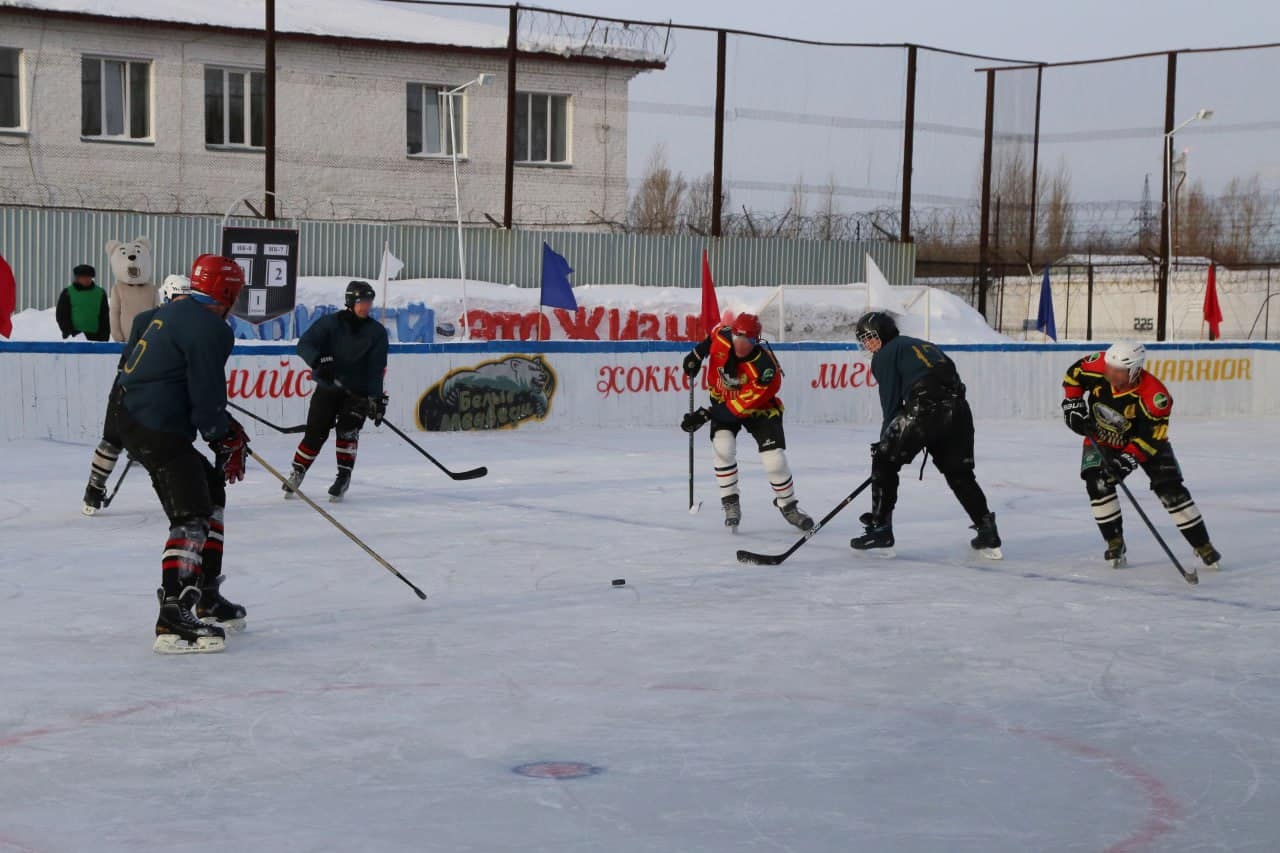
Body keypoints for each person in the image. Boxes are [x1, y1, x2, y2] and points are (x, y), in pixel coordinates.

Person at [118, 255, 249, 654]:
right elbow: (206, 397)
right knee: (191, 512)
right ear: (227, 291)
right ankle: (173, 615)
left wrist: (222, 430)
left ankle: (205, 593)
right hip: (156, 426)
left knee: (211, 490)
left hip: (137, 417)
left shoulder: (174, 311)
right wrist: (222, 434)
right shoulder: (211, 327)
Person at [850, 311, 1001, 557]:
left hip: (925, 408)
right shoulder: (922, 345)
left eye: (870, 337)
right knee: (959, 473)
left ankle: (880, 528)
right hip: (959, 410)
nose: (867, 344)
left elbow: (891, 406)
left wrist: (886, 443)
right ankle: (987, 529)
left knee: (884, 461)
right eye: (864, 339)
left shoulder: (885, 355)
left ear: (883, 334)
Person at [1062, 342, 1221, 570]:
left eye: (1119, 371)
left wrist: (1127, 461)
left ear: (1135, 370)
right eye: (1110, 368)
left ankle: (1202, 544)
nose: (1111, 374)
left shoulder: (1156, 396)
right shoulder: (1099, 364)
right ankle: (1115, 541)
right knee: (1097, 483)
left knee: (1170, 489)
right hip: (1103, 435)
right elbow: (1073, 377)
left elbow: (1151, 438)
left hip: (1145, 441)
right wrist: (1073, 406)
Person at [680, 313, 813, 532]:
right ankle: (730, 501)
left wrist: (705, 415)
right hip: (723, 400)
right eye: (737, 337)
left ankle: (788, 505)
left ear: (757, 340)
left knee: (774, 460)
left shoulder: (765, 370)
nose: (741, 344)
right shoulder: (722, 335)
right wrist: (696, 354)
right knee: (723, 447)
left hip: (757, 408)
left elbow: (736, 410)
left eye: (748, 341)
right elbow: (710, 341)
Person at [82, 275, 192, 515]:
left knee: (127, 438)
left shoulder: (148, 319)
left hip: (138, 385)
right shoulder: (175, 323)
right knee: (113, 438)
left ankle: (95, 488)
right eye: (180, 297)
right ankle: (94, 488)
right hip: (136, 386)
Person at [285, 280, 389, 502]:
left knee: (347, 432)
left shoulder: (377, 332)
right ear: (351, 302)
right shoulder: (330, 324)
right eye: (361, 301)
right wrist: (319, 361)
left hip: (357, 394)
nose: (366, 306)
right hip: (328, 388)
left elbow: (376, 368)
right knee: (315, 433)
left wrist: (376, 398)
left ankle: (343, 477)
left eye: (369, 301)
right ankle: (298, 471)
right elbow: (304, 345)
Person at [55, 264, 110, 341]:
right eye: (83, 277)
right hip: (74, 338)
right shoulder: (67, 293)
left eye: (89, 277)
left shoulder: (100, 293)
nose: (87, 279)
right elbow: (62, 316)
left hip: (97, 337)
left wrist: (104, 335)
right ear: (77, 278)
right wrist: (70, 333)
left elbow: (105, 316)